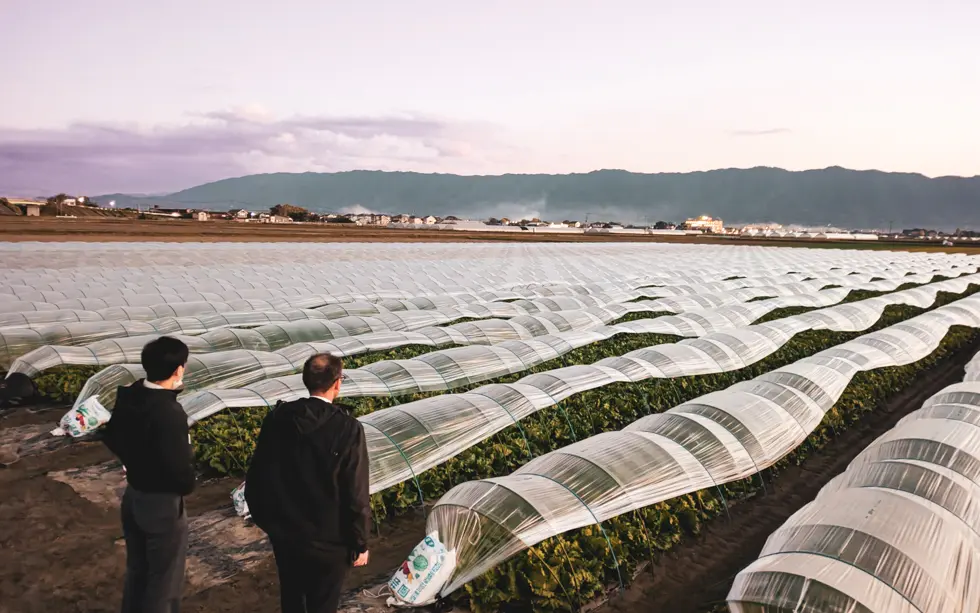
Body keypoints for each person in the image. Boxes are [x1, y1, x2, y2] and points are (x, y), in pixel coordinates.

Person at [245, 353, 371, 613]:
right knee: (322, 604)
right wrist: (360, 542)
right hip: (330, 542)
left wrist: (271, 524)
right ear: (337, 383)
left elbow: (256, 478)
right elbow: (355, 493)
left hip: (287, 537)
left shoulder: (278, 419)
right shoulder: (348, 429)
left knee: (292, 599)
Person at [102, 336, 195, 613]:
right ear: (178, 369)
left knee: (139, 571)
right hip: (161, 503)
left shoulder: (132, 394)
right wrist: (186, 482)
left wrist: (136, 463)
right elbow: (179, 470)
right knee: (164, 582)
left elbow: (111, 436)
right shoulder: (168, 412)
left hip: (134, 497)